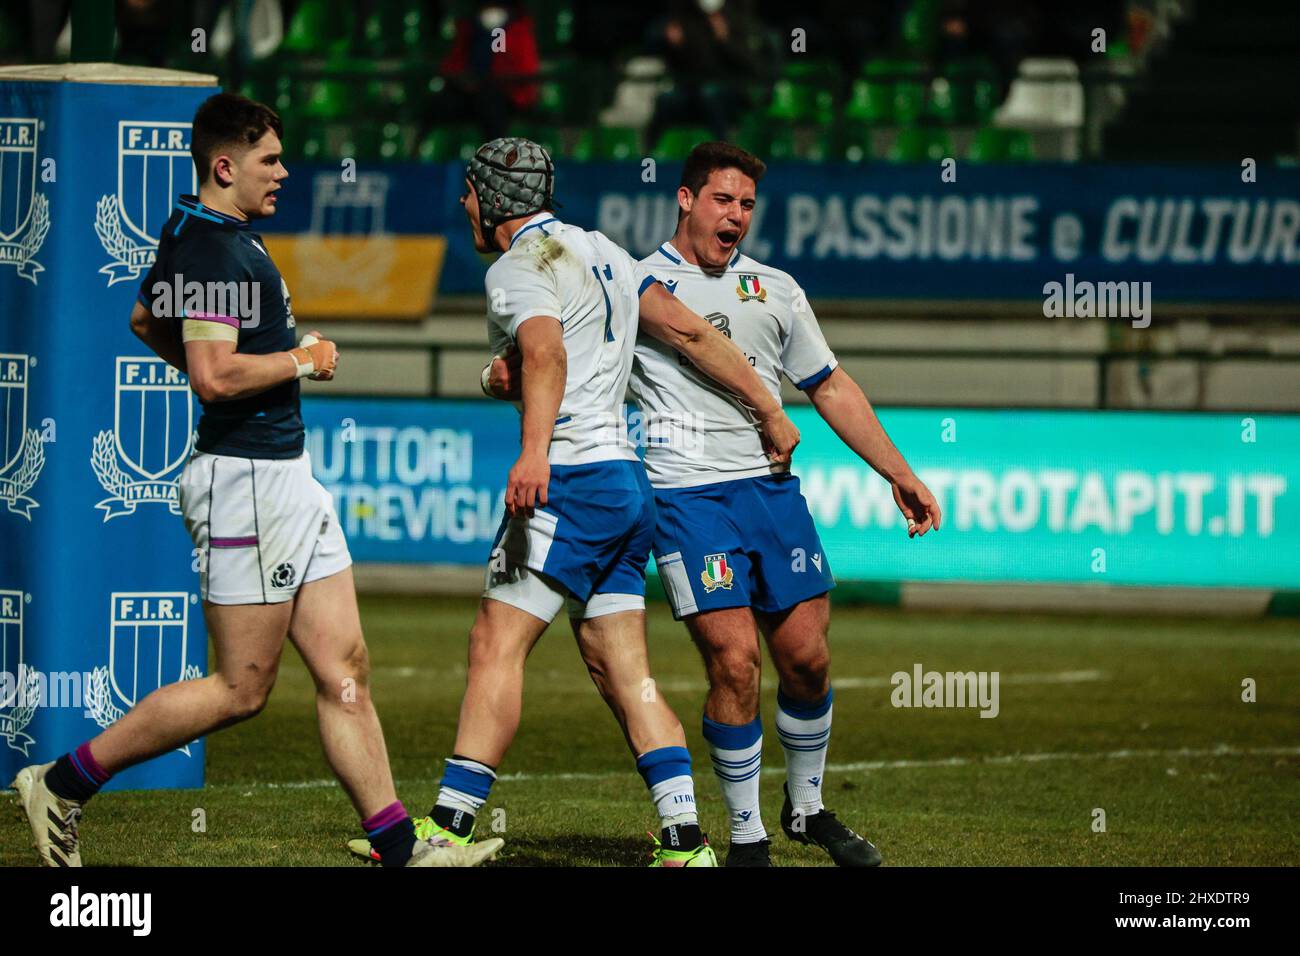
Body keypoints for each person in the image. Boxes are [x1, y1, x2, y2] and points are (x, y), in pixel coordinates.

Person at [9, 93, 494, 869]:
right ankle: (61, 784)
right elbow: (213, 373)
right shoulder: (212, 250)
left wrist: (254, 368)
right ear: (224, 165)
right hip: (249, 483)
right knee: (241, 688)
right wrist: (303, 359)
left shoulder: (207, 233)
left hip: (284, 477)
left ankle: (402, 851)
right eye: (269, 158)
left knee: (345, 671)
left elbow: (144, 322)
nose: (284, 170)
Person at [487, 142, 942, 867]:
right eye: (724, 200)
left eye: (748, 205)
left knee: (808, 660)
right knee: (734, 663)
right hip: (684, 496)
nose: (737, 216)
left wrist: (899, 471)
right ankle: (748, 836)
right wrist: (509, 376)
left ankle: (807, 806)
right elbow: (577, 350)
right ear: (686, 199)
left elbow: (828, 384)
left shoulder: (777, 289)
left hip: (770, 492)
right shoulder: (633, 282)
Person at [351, 136, 800, 867]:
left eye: (469, 190)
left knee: (496, 643)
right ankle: (686, 841)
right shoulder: (604, 251)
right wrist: (769, 406)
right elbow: (687, 330)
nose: (462, 202)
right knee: (620, 664)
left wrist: (532, 450)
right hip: (626, 484)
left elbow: (550, 351)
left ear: (494, 198)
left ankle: (447, 832)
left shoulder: (517, 267)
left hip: (570, 477)